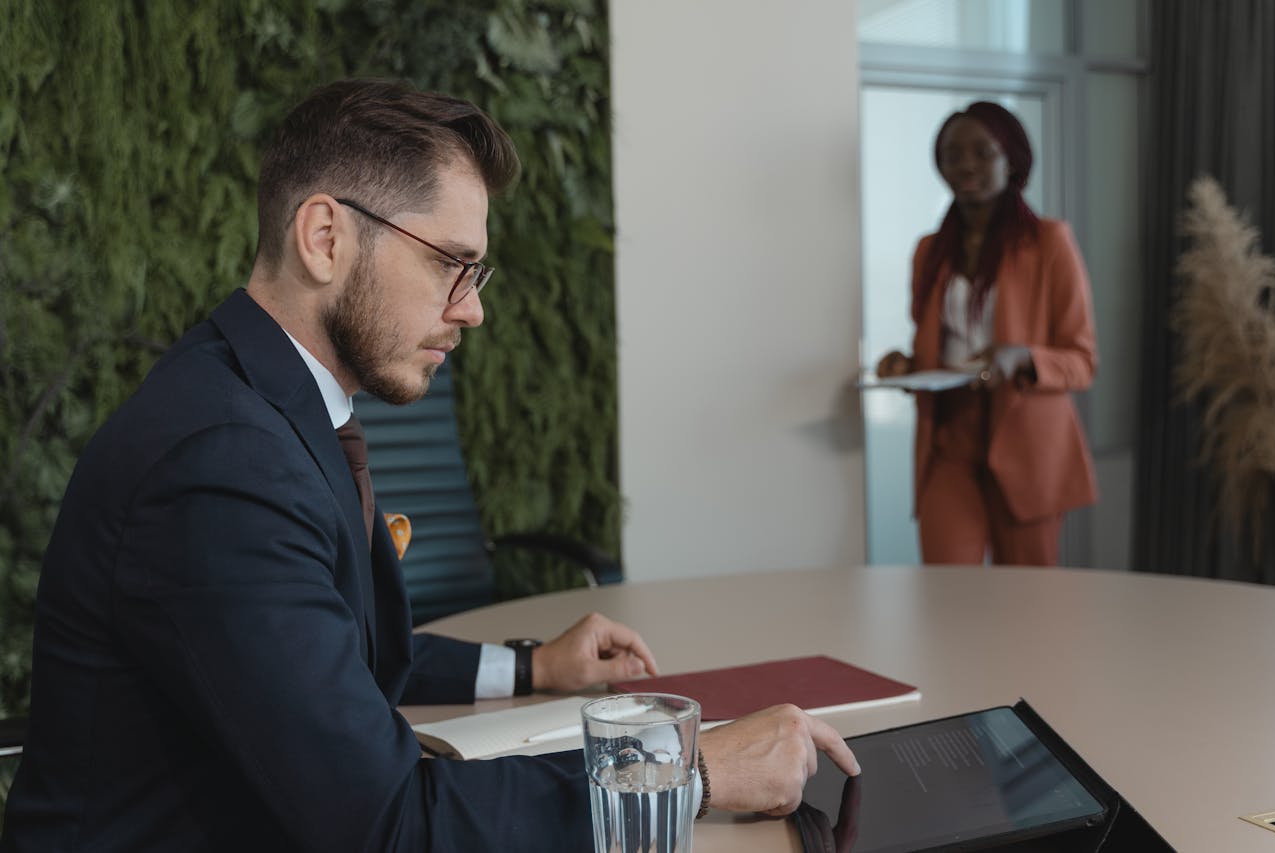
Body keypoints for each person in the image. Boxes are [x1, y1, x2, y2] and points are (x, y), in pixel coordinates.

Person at [0, 79, 858, 852]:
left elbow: (337, 651)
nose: (473, 308)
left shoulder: (264, 408)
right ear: (325, 236)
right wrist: (687, 772)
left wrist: (530, 669)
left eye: (476, 271)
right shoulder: (222, 467)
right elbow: (388, 823)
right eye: (450, 263)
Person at [875, 101, 1098, 567]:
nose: (965, 165)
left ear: (1011, 159)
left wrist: (1021, 357)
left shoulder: (1049, 242)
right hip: (948, 444)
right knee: (947, 596)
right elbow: (936, 350)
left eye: (982, 152)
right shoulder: (929, 251)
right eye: (952, 155)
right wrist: (906, 364)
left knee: (1027, 606)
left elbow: (1082, 361)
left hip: (1026, 446)